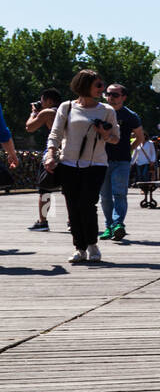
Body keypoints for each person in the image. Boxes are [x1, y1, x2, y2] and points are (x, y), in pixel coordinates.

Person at [43, 70, 119, 263]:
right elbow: (55, 133)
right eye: (98, 85)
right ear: (85, 86)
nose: (102, 89)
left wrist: (104, 133)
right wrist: (51, 153)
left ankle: (92, 244)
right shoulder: (66, 107)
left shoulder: (107, 111)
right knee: (73, 207)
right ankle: (79, 248)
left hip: (96, 164)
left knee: (87, 204)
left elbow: (115, 139)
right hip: (68, 163)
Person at [97, 84, 145, 242]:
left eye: (115, 95)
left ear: (123, 97)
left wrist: (128, 149)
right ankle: (108, 226)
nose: (111, 97)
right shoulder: (100, 112)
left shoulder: (130, 115)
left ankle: (118, 225)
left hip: (122, 161)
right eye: (108, 94)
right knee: (104, 196)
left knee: (119, 194)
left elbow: (140, 137)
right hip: (101, 160)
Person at [24, 88, 60, 230]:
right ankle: (71, 222)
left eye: (42, 100)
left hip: (52, 153)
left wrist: (34, 112)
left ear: (49, 101)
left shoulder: (48, 112)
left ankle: (43, 221)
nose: (41, 103)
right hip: (69, 153)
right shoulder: (67, 110)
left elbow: (29, 127)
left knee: (44, 190)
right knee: (69, 191)